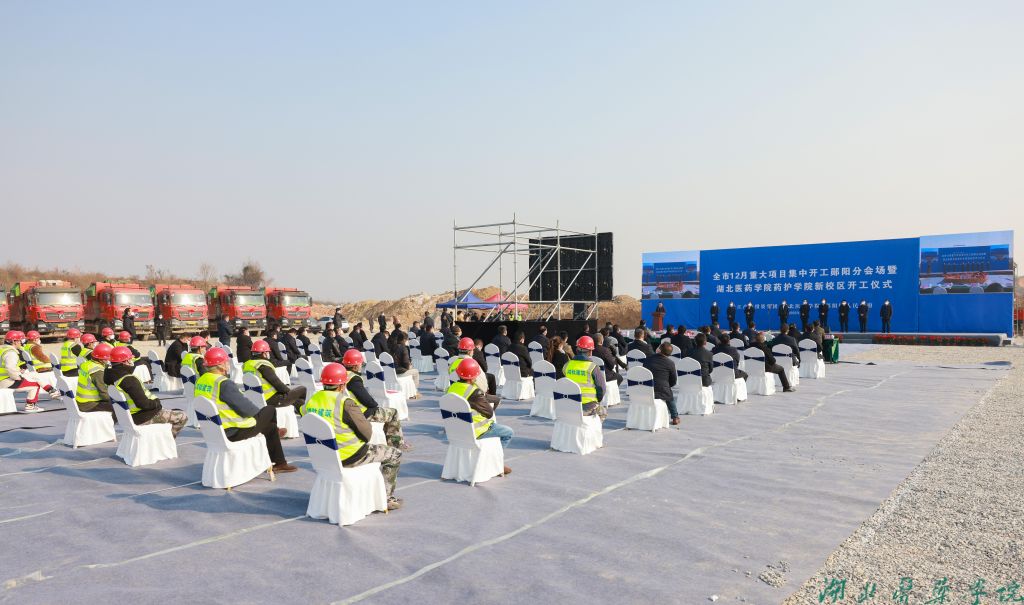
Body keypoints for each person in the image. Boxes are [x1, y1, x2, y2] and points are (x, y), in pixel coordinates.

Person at [304, 363, 403, 510]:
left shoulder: (311, 400)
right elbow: (367, 433)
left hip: (324, 456)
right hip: (350, 455)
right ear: (342, 385)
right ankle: (386, 498)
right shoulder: (345, 402)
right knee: (394, 454)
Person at [196, 347, 296, 474]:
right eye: (226, 362)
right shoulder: (223, 383)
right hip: (233, 431)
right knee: (269, 410)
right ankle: (279, 459)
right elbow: (247, 410)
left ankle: (279, 460)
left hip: (214, 431)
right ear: (220, 365)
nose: (228, 364)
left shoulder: (201, 381)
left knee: (270, 428)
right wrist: (260, 415)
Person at [446, 358, 512, 475]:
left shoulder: (450, 388)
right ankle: (496, 464)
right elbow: (489, 413)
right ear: (473, 377)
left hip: (455, 431)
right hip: (476, 431)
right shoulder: (474, 392)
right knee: (508, 432)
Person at [340, 349, 410, 450]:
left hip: (348, 411)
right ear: (356, 365)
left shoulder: (342, 375)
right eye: (360, 363)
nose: (361, 365)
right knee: (393, 413)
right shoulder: (354, 379)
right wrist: (375, 405)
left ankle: (388, 439)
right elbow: (367, 401)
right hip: (361, 413)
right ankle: (396, 443)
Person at [109, 347, 187, 435]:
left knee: (173, 411)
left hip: (128, 418)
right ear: (125, 361)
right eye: (130, 359)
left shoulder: (111, 378)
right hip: (143, 417)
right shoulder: (129, 380)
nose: (132, 361)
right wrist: (156, 403)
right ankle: (166, 439)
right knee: (182, 416)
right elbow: (143, 404)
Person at [242, 340, 306, 413]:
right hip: (271, 400)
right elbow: (279, 386)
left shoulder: (246, 365)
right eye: (268, 352)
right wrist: (289, 393)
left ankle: (301, 411)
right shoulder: (263, 365)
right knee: (303, 389)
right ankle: (304, 413)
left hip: (255, 399)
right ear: (264, 353)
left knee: (295, 398)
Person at [0, 331, 56, 413]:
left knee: (33, 374)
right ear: (14, 341)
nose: (21, 342)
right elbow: (10, 368)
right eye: (19, 340)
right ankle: (30, 406)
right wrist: (18, 378)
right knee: (35, 385)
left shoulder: (3, 350)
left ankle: (52, 391)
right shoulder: (11, 353)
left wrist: (19, 372)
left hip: (4, 379)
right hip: (7, 381)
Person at [563, 336, 607, 420]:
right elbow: (602, 390)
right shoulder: (593, 367)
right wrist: (597, 401)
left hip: (570, 405)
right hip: (589, 407)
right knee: (603, 412)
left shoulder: (567, 365)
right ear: (590, 352)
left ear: (577, 350)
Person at [643, 341, 680, 425]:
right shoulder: (670, 363)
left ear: (659, 349)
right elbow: (673, 380)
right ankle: (675, 417)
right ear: (670, 354)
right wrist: (667, 386)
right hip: (662, 390)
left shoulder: (648, 359)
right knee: (669, 395)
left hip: (646, 388)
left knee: (666, 389)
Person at [76, 342, 114, 413]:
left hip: (81, 401)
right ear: (101, 359)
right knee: (119, 407)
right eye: (107, 358)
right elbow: (104, 393)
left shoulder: (86, 364)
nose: (109, 360)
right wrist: (115, 400)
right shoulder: (97, 371)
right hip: (90, 404)